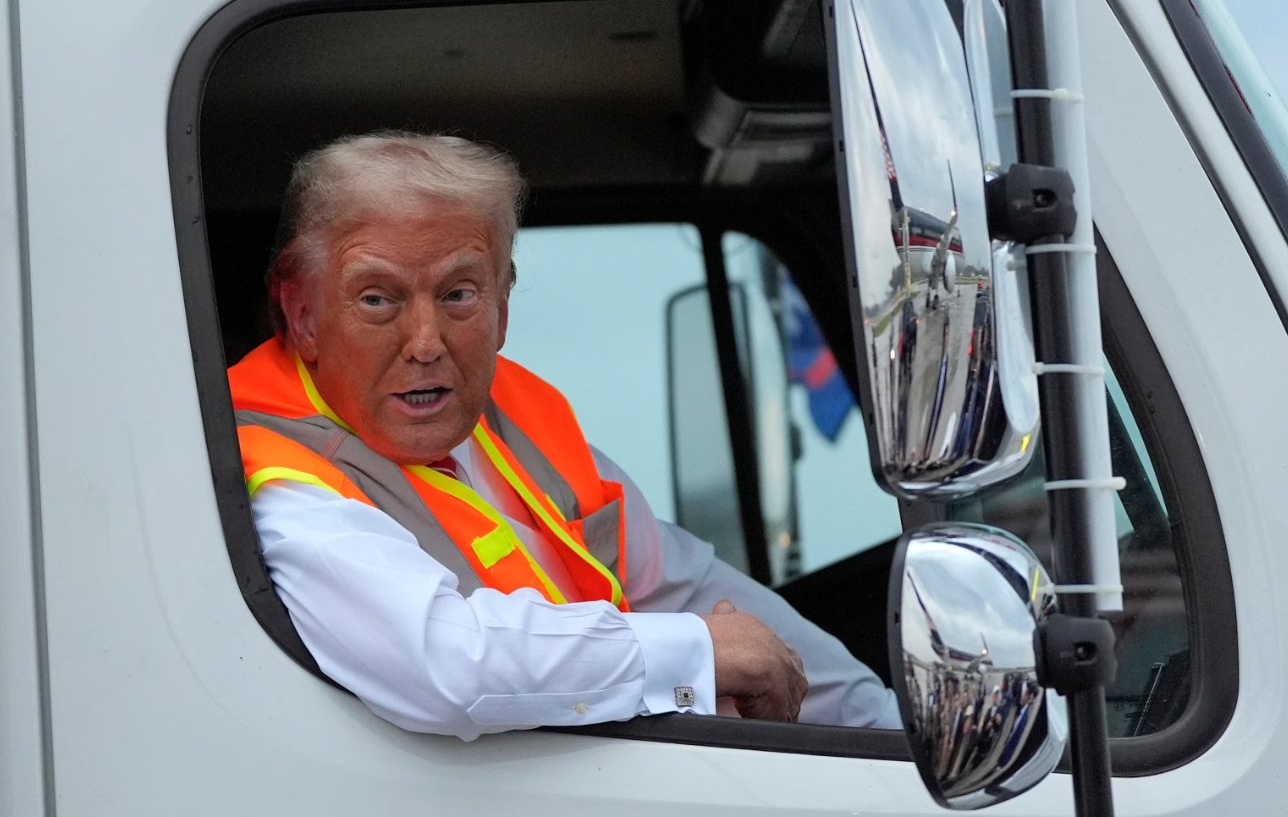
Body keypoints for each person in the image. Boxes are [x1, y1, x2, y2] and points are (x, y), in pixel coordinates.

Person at [228, 131, 901, 741]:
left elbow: (687, 585)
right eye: (378, 298)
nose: (426, 342)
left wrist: (888, 737)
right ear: (303, 315)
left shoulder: (520, 425)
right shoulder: (278, 478)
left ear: (502, 307)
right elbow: (449, 666)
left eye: (459, 293)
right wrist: (694, 652)